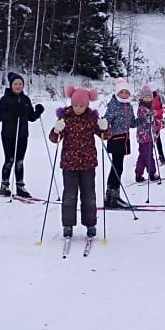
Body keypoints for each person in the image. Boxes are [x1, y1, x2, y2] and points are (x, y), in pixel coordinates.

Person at [49, 86, 107, 238]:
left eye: (82, 106)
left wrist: (104, 128)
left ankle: (90, 224)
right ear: (71, 103)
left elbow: (105, 136)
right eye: (76, 105)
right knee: (69, 195)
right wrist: (56, 130)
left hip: (88, 163)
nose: (78, 108)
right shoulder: (65, 117)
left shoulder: (92, 118)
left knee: (89, 196)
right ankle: (67, 225)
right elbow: (54, 139)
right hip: (69, 164)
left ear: (87, 105)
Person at [0, 72, 44, 198]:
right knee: (9, 159)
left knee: (20, 161)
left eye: (20, 84)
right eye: (15, 84)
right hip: (8, 135)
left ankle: (20, 186)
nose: (18, 86)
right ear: (11, 85)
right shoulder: (5, 99)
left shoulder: (25, 99)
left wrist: (38, 112)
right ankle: (4, 185)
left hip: (22, 135)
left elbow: (31, 117)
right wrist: (12, 113)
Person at [103, 78, 135, 209]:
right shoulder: (114, 105)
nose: (124, 94)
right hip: (115, 139)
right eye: (121, 92)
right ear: (117, 93)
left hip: (125, 139)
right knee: (117, 167)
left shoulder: (129, 106)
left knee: (118, 167)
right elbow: (106, 120)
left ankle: (112, 195)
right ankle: (113, 195)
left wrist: (145, 119)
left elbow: (132, 123)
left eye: (126, 92)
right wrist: (103, 127)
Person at [134, 84, 160, 183]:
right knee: (149, 155)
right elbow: (141, 120)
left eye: (149, 96)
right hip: (144, 136)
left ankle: (138, 173)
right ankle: (152, 173)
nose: (148, 98)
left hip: (149, 136)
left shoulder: (149, 108)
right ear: (142, 98)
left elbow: (152, 121)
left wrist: (159, 122)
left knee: (143, 155)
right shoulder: (142, 108)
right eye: (146, 96)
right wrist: (147, 118)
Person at [151, 88, 165, 164]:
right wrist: (162, 111)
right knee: (156, 140)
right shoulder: (152, 99)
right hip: (155, 122)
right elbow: (153, 112)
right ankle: (161, 157)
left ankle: (160, 156)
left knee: (157, 140)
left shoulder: (157, 98)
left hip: (158, 121)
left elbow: (159, 108)